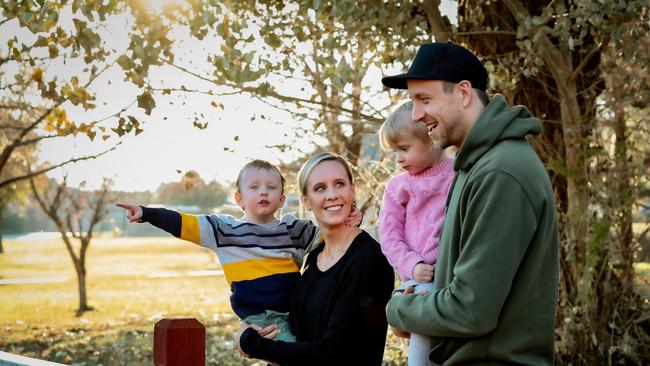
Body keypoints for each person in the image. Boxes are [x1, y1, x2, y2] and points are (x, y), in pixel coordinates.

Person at [381, 42, 559, 365]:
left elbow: (470, 309)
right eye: (412, 102)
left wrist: (398, 309)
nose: (416, 115)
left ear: (463, 93)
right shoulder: (473, 166)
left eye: (424, 99)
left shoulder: (501, 172)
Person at [116, 159, 361, 342]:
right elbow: (184, 223)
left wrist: (352, 215)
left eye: (271, 187)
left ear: (282, 199)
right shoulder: (225, 231)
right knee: (293, 353)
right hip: (263, 317)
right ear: (239, 198)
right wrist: (147, 213)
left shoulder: (293, 229)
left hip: (298, 312)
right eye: (254, 187)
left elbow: (332, 233)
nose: (263, 192)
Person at [236, 152, 394, 365]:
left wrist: (251, 343)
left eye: (339, 184)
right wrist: (250, 327)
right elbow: (294, 328)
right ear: (306, 201)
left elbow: (332, 353)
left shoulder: (369, 260)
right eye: (320, 188)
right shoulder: (314, 256)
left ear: (352, 189)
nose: (332, 195)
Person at [377, 100, 454, 366]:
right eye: (394, 151)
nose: (398, 158)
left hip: (456, 277)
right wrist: (412, 264)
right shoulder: (399, 187)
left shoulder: (459, 172)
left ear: (431, 139)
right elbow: (389, 237)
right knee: (422, 345)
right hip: (421, 280)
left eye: (404, 149)